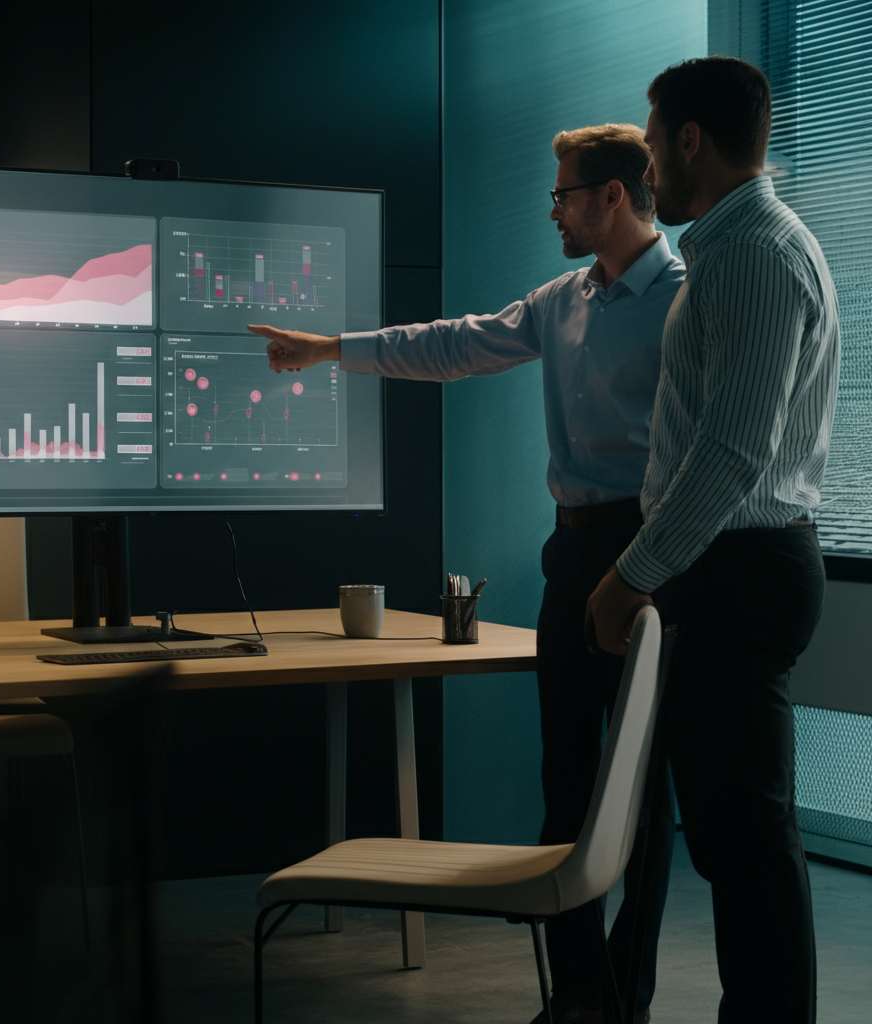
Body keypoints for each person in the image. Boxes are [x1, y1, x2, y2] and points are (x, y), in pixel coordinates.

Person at [249, 123, 684, 1024]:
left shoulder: (688, 299)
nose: (553, 210)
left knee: (642, 793)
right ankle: (580, 998)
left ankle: (627, 998)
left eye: (565, 194)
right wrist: (330, 349)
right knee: (567, 781)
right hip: (572, 552)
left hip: (652, 557)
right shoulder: (560, 300)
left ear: (612, 196)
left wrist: (655, 562)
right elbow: (452, 345)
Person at [586, 58, 840, 1024]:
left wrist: (630, 575)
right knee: (735, 840)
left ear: (691, 139)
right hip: (728, 566)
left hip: (740, 569)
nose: (649, 167)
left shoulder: (754, 255)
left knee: (749, 840)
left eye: (654, 143)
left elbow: (733, 451)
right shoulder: (739, 247)